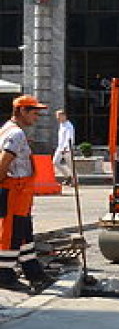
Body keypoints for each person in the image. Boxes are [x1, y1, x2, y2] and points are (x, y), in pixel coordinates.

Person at [0, 95, 54, 293]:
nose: (37, 117)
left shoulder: (6, 129)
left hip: (18, 190)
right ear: (22, 111)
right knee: (11, 233)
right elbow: (4, 161)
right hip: (15, 189)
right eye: (34, 112)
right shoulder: (16, 134)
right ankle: (4, 274)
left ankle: (34, 272)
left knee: (23, 233)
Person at [53, 109, 75, 185]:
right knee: (55, 162)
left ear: (64, 116)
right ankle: (68, 176)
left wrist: (66, 147)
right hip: (60, 147)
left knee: (70, 165)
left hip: (67, 149)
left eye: (59, 116)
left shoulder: (69, 125)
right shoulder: (61, 125)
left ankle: (74, 180)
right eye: (57, 116)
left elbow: (69, 137)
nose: (57, 118)